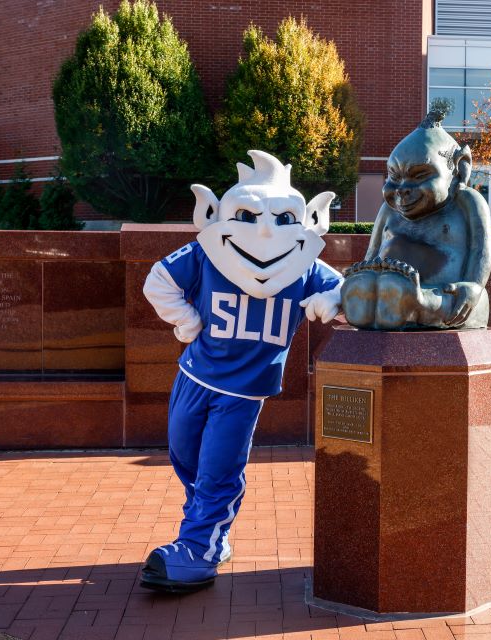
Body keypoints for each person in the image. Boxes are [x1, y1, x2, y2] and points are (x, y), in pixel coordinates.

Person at [140, 150, 343, 593]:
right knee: (183, 454)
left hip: (244, 389)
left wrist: (337, 298)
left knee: (218, 468)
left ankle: (198, 550)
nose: (265, 228)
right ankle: (212, 534)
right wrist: (187, 321)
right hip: (194, 374)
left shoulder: (304, 263)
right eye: (250, 214)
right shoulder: (208, 252)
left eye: (281, 216)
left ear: (308, 218)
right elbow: (158, 280)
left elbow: (352, 289)